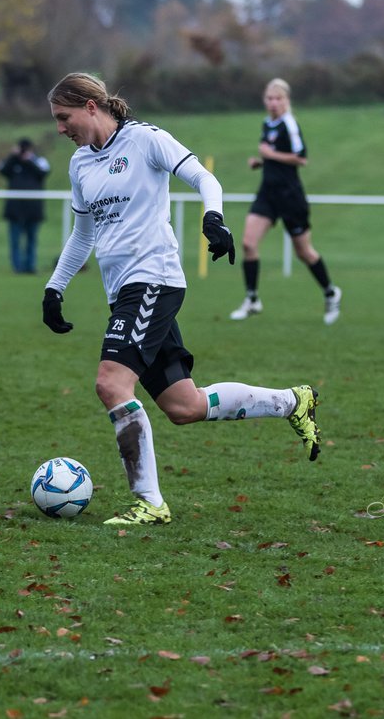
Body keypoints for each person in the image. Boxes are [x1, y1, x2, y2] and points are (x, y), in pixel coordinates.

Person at [40, 72, 323, 527]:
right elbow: (83, 234)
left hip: (153, 279)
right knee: (183, 407)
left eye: (63, 117)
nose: (59, 128)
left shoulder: (146, 140)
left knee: (111, 384)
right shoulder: (80, 164)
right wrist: (55, 287)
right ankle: (294, 402)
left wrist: (214, 220)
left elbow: (204, 178)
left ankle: (150, 502)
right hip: (123, 292)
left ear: (90, 106)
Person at [229, 78, 342, 325]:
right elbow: (274, 159)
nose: (273, 103)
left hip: (290, 197)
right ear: (264, 100)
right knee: (248, 243)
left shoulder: (289, 124)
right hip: (267, 194)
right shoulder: (267, 123)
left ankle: (331, 293)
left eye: (278, 98)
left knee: (304, 252)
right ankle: (252, 299)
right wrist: (261, 163)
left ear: (286, 101)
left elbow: (301, 158)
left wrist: (270, 155)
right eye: (270, 98)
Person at [0, 137, 50, 274]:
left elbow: (44, 173)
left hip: (33, 208)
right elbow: (2, 170)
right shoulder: (12, 161)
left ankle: (30, 266)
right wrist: (13, 156)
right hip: (15, 208)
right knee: (15, 240)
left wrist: (29, 160)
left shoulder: (39, 161)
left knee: (31, 239)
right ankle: (17, 267)